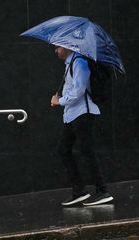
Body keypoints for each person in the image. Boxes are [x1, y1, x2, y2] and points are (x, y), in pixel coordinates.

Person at [50, 46, 114, 206]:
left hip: (83, 113)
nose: (55, 51)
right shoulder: (70, 64)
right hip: (72, 114)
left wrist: (60, 101)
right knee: (63, 149)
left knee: (86, 150)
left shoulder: (79, 62)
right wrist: (61, 98)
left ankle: (102, 191)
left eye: (57, 47)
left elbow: (79, 90)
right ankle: (79, 191)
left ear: (66, 47)